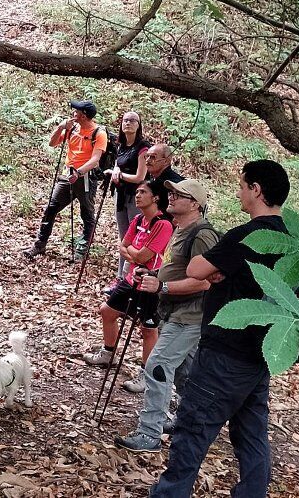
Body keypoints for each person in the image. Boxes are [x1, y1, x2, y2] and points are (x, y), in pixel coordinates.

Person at [150, 160, 290, 498]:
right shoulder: (294, 242)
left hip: (225, 355)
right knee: (252, 436)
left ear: (257, 190)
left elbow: (198, 267)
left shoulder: (249, 235)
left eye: (243, 186)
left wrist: (214, 271)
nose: (240, 193)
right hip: (260, 356)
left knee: (192, 432)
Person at [115, 179, 219, 453]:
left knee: (157, 365)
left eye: (179, 194)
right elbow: (178, 269)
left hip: (189, 316)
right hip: (174, 312)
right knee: (185, 373)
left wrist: (162, 286)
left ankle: (150, 434)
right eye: (171, 192)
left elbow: (205, 282)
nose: (171, 197)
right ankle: (190, 419)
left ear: (195, 204)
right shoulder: (182, 229)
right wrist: (153, 276)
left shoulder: (202, 235)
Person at [82, 181, 173, 383]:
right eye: (137, 191)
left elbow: (142, 256)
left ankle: (145, 375)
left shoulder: (163, 224)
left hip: (150, 283)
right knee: (107, 311)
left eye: (143, 192)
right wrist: (135, 255)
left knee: (148, 329)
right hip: (131, 279)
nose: (138, 195)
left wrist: (134, 254)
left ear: (156, 197)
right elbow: (123, 246)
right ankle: (108, 353)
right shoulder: (139, 219)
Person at [23, 100, 107, 258]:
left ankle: (82, 249)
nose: (74, 113)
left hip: (85, 177)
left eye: (77, 111)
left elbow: (95, 159)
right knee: (51, 208)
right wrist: (61, 127)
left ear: (83, 115)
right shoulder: (72, 128)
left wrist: (79, 172)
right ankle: (39, 245)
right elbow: (53, 142)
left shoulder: (99, 133)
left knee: (87, 214)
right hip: (67, 176)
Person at [108, 111, 152, 240]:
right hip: (121, 193)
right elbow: (118, 163)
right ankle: (123, 261)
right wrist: (116, 169)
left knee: (135, 235)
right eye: (125, 120)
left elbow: (140, 177)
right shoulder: (121, 146)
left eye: (132, 120)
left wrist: (119, 175)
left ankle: (134, 260)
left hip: (137, 196)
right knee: (123, 235)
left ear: (138, 125)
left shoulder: (143, 147)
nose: (128, 123)